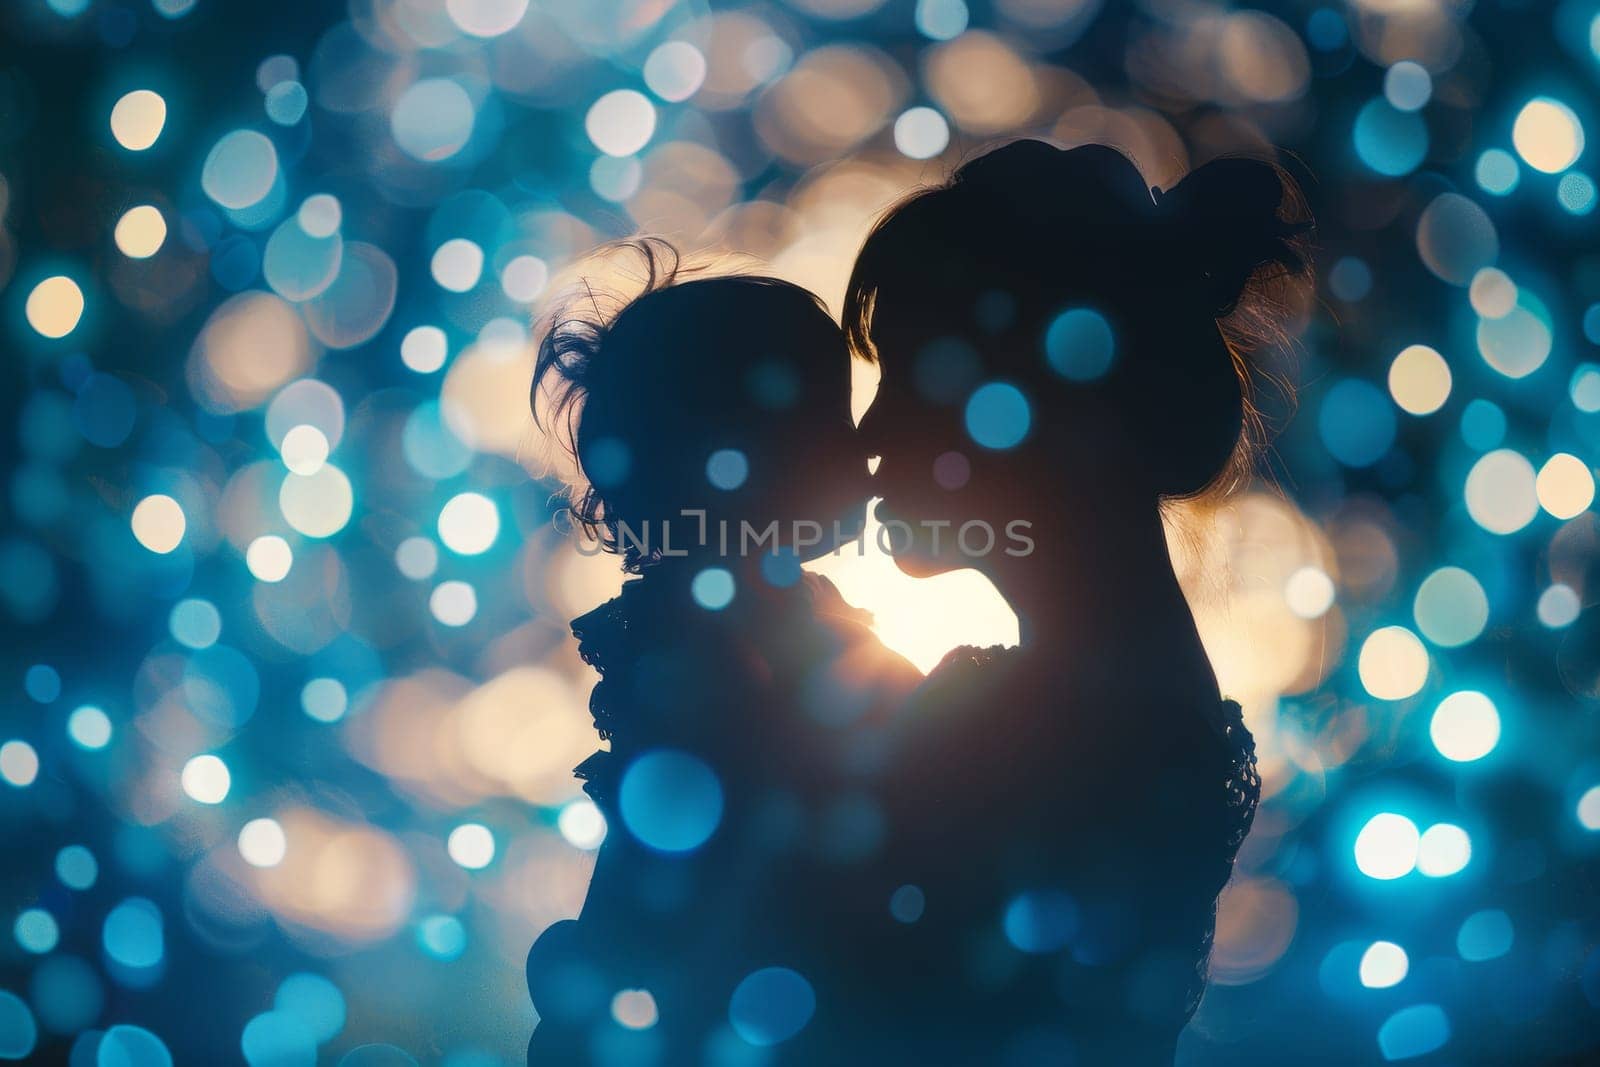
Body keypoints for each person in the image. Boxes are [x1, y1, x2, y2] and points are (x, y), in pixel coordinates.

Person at [820, 140, 1312, 1062]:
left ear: (1035, 393)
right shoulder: (1120, 695)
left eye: (912, 376)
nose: (871, 434)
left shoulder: (1054, 726)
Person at [523, 241, 922, 1064]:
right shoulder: (702, 643)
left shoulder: (794, 612)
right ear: (741, 460)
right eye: (829, 425)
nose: (863, 452)